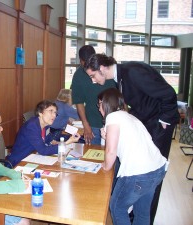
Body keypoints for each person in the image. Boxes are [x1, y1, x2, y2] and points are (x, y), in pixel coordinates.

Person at [84, 53, 180, 224]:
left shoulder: (132, 71)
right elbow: (140, 106)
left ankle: (136, 215)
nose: (93, 80)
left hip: (159, 124)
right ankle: (136, 215)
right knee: (147, 177)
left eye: (93, 75)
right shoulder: (121, 79)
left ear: (102, 68)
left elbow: (168, 93)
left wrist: (163, 121)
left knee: (146, 177)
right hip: (149, 123)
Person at [98, 88, 168, 225]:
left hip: (139, 174)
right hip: (157, 169)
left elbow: (111, 152)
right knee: (142, 212)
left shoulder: (112, 117)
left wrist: (104, 167)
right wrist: (107, 137)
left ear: (104, 103)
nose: (99, 109)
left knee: (117, 207)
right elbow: (126, 144)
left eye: (99, 104)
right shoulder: (129, 116)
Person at [6, 100, 81, 168]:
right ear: (40, 113)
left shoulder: (45, 125)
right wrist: (67, 142)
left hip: (33, 157)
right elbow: (43, 150)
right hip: (18, 162)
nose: (54, 115)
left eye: (55, 113)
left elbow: (50, 140)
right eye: (51, 111)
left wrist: (68, 140)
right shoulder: (32, 126)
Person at [71, 45, 116, 145]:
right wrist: (86, 125)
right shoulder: (79, 75)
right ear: (80, 61)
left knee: (114, 152)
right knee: (94, 153)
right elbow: (79, 102)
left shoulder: (107, 70)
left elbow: (121, 97)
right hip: (93, 123)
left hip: (113, 120)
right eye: (85, 63)